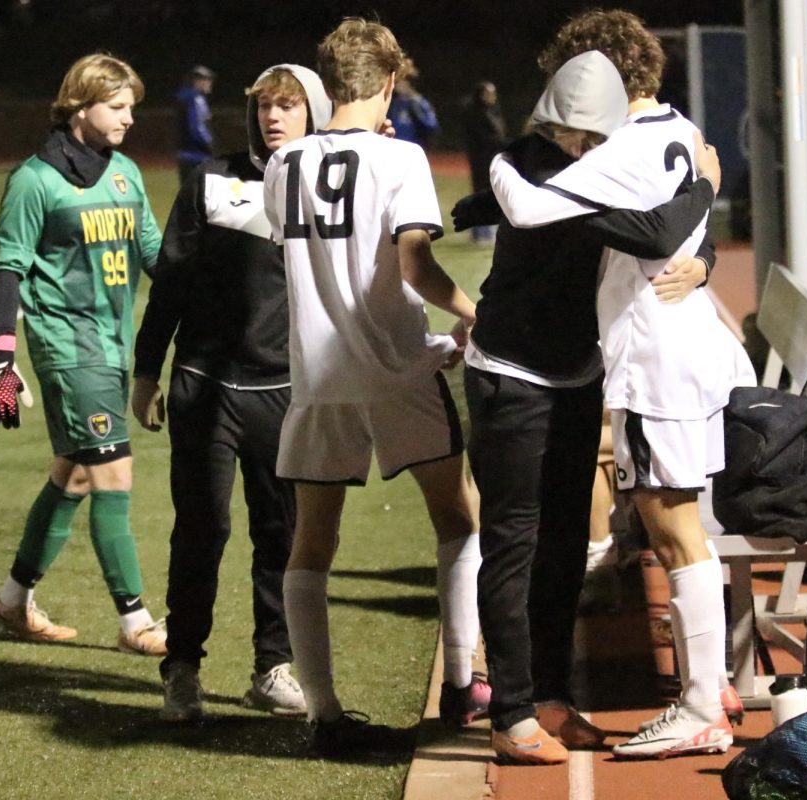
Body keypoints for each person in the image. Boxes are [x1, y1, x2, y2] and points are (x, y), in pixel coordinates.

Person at [492, 8, 756, 760]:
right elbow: (684, 229)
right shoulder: (678, 127)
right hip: (692, 350)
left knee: (673, 530)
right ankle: (711, 686)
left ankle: (703, 704)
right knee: (684, 526)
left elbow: (532, 204)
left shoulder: (621, 149)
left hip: (654, 363)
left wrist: (498, 166)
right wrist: (702, 249)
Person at [263, 18, 486, 756]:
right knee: (458, 518)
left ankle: (322, 714)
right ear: (389, 82)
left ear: (326, 87)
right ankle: (462, 685)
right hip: (395, 375)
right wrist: (471, 315)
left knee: (311, 545)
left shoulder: (282, 164)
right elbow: (414, 267)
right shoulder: (401, 159)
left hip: (318, 382)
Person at [132, 64, 334, 722]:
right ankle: (182, 667)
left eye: (289, 106)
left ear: (315, 113)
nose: (274, 117)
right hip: (205, 383)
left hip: (286, 391)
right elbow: (171, 281)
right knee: (202, 530)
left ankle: (272, 665)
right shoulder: (212, 179)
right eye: (265, 106)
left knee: (280, 532)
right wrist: (146, 369)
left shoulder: (323, 184)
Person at [0, 52, 167, 657]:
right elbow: (9, 266)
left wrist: (223, 289)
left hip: (113, 345)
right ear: (79, 107)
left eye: (131, 108)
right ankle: (136, 621)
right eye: (117, 108)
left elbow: (154, 253)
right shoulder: (35, 180)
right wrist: (1, 358)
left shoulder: (125, 174)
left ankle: (12, 600)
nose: (129, 119)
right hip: (68, 348)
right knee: (114, 473)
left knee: (78, 473)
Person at [462, 81, 509, 244]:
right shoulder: (475, 113)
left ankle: (485, 231)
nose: (492, 97)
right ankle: (480, 233)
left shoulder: (493, 111)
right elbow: (483, 139)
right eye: (488, 93)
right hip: (481, 159)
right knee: (481, 192)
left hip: (492, 158)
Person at [388, 57, 440, 148]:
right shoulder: (396, 103)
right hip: (396, 147)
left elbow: (432, 125)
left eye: (399, 82)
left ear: (408, 82)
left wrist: (417, 114)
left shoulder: (418, 102)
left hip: (414, 147)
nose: (396, 86)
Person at [176, 65, 215, 184]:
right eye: (207, 80)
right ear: (197, 81)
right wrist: (210, 144)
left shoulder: (184, 98)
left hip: (184, 154)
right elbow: (197, 128)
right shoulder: (196, 99)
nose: (209, 83)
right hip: (197, 156)